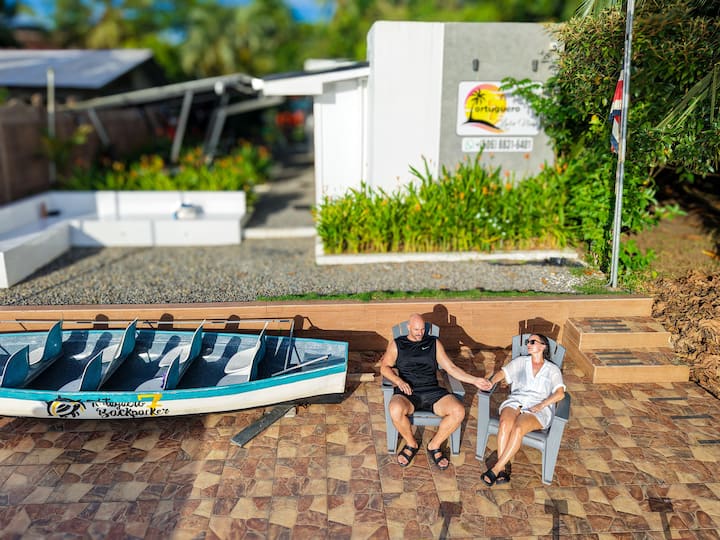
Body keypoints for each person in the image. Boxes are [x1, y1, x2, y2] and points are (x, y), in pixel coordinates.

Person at [380, 313, 484, 470]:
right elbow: (384, 367)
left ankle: (434, 445)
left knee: (458, 411)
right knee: (395, 409)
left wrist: (474, 380)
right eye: (416, 329)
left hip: (432, 391)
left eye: (422, 329)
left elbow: (451, 368)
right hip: (408, 392)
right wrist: (399, 381)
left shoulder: (433, 343)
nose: (420, 333)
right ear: (408, 327)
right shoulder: (397, 344)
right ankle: (411, 443)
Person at [477, 333, 566, 486]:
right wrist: (491, 382)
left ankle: (496, 469)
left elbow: (560, 394)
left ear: (543, 346)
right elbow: (503, 373)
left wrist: (542, 405)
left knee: (518, 429)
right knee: (504, 424)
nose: (528, 344)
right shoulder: (521, 362)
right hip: (516, 401)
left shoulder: (552, 369)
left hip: (538, 408)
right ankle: (502, 468)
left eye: (532, 342)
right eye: (527, 342)